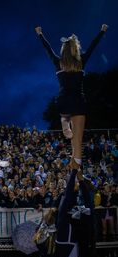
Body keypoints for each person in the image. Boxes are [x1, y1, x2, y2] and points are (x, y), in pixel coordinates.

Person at [35, 24, 108, 167]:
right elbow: (93, 46)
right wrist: (102, 31)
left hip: (64, 101)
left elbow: (47, 48)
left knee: (69, 125)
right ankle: (77, 170)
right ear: (76, 49)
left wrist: (40, 34)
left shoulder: (59, 62)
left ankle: (65, 122)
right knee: (78, 140)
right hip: (79, 101)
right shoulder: (81, 62)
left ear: (64, 50)